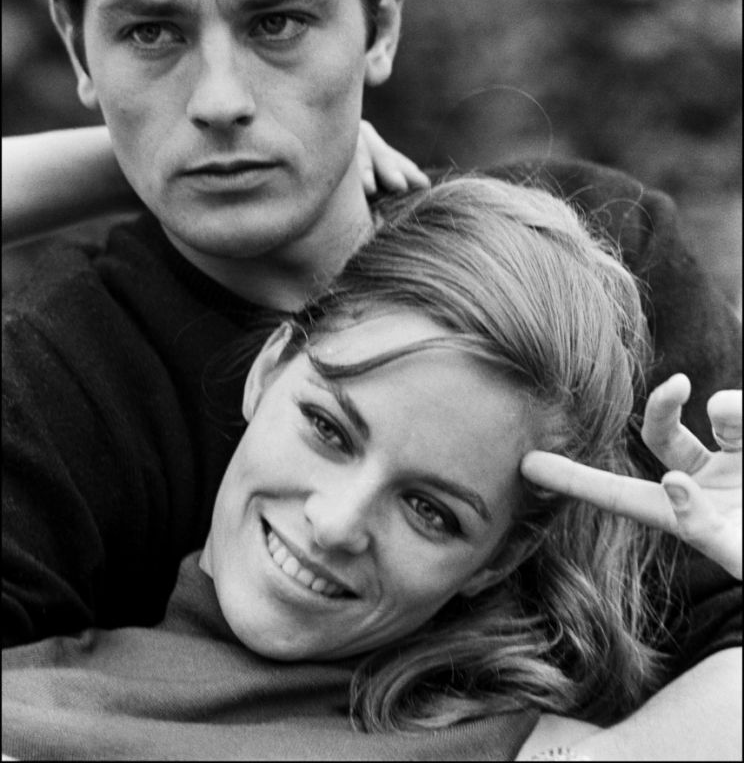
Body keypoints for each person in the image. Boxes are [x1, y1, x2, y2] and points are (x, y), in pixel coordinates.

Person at [2, 0, 741, 758]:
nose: (219, 101)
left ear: (381, 22)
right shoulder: (50, 380)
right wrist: (111, 157)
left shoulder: (604, 270)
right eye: (150, 34)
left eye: (277, 24)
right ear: (80, 48)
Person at [3, 175, 739, 761]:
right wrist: (131, 160)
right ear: (268, 370)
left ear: (499, 558)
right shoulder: (28, 685)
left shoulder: (523, 753)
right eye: (329, 430)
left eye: (430, 510)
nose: (335, 523)